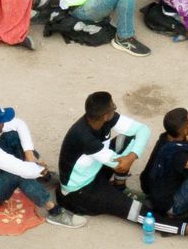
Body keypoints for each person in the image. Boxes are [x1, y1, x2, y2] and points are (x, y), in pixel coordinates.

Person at [0, 102, 87, 227]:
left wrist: (30, 156)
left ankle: (38, 179)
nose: (4, 123)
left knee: (12, 136)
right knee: (18, 174)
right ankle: (54, 212)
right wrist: (39, 169)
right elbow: (22, 170)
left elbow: (18, 123)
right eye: (2, 122)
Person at [55, 91, 155, 226]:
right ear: (105, 116)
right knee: (136, 211)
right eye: (113, 107)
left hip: (95, 170)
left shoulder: (101, 119)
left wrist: (131, 157)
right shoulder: (84, 137)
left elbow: (143, 130)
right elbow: (120, 166)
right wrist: (126, 161)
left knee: (130, 137)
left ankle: (119, 187)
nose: (115, 109)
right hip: (79, 192)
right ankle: (187, 228)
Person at [140, 108, 188, 227]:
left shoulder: (168, 136)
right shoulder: (178, 156)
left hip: (152, 189)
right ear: (185, 129)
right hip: (172, 205)